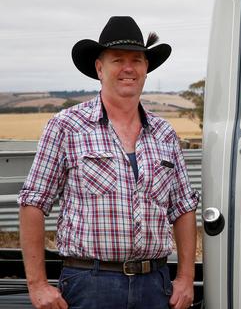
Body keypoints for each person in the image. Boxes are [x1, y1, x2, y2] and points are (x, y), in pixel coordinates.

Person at [18, 16, 199, 309]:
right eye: (118, 60)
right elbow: (33, 203)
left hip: (155, 284)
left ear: (146, 68)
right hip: (90, 284)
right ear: (100, 68)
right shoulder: (67, 126)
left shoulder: (164, 133)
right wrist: (37, 285)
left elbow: (183, 209)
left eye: (137, 60)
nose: (128, 68)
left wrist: (186, 277)